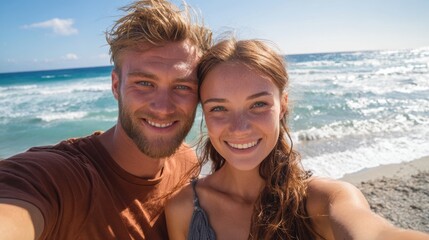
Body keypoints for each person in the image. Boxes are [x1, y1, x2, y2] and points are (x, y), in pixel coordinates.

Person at [165, 38, 429, 240]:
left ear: (284, 106)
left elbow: (377, 233)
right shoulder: (183, 208)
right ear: (204, 114)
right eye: (219, 108)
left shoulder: (324, 200)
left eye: (258, 104)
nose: (240, 127)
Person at [0, 0, 211, 239]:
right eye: (144, 83)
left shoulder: (187, 161)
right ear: (115, 85)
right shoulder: (62, 178)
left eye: (182, 86)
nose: (163, 107)